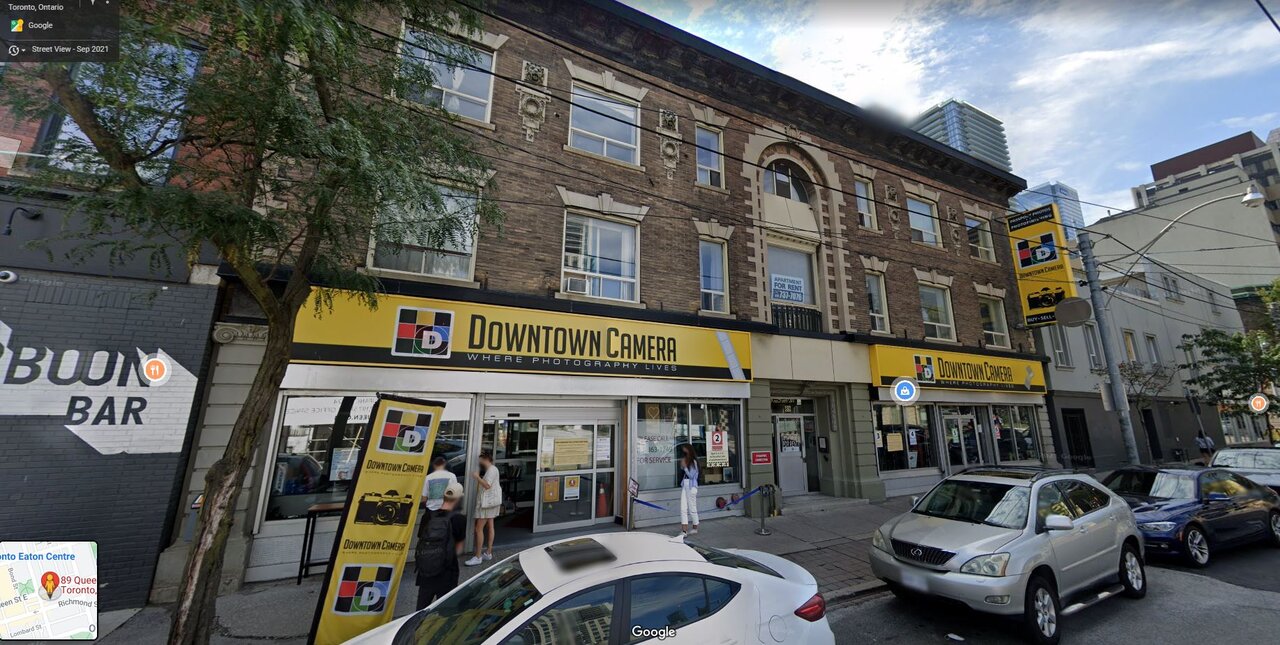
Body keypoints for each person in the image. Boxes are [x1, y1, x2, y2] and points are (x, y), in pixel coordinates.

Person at [414, 481, 466, 610]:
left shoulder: (428, 516)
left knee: (421, 609)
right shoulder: (459, 519)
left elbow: (421, 541)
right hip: (447, 573)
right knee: (445, 610)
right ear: (459, 499)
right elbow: (459, 549)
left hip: (425, 571)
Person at [465, 451, 501, 566]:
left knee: (478, 528)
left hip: (487, 504)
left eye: (481, 460)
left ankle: (478, 556)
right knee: (490, 526)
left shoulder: (491, 470)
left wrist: (477, 477)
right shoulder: (494, 469)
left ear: (486, 459)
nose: (480, 462)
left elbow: (487, 485)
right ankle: (488, 553)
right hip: (491, 503)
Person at [678, 443, 700, 536]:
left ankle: (695, 528)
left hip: (691, 486)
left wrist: (685, 467)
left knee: (692, 508)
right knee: (683, 507)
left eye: (685, 450)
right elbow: (682, 470)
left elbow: (691, 476)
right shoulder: (685, 459)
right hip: (685, 484)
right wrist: (682, 465)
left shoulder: (694, 462)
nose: (684, 452)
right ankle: (684, 531)